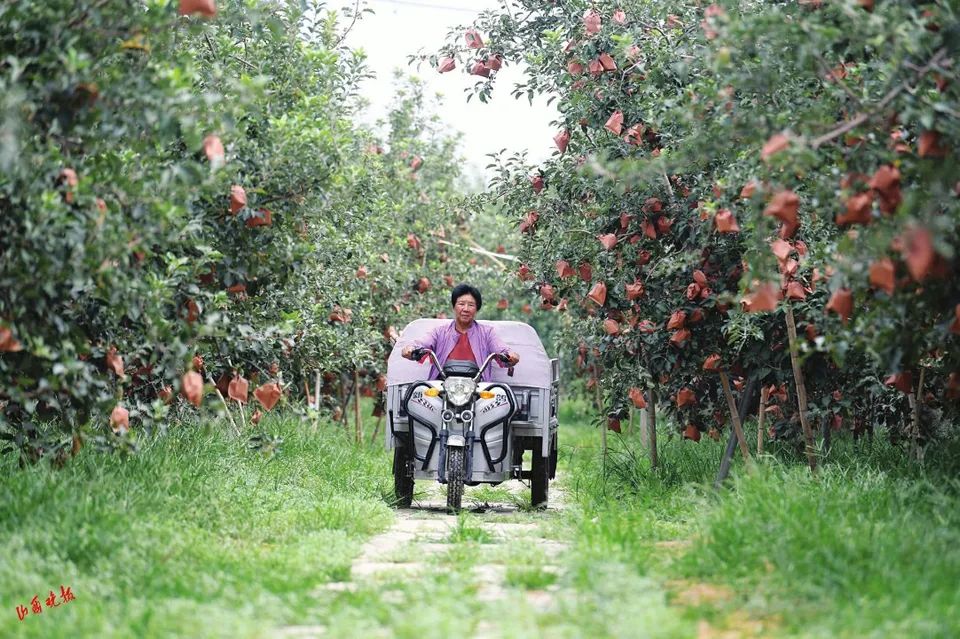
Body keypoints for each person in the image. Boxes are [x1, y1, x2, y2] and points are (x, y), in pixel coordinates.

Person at [401, 284, 520, 381]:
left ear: (477, 309)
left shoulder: (487, 333)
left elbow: (500, 348)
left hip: (477, 386)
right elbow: (423, 343)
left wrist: (511, 355)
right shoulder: (439, 332)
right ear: (454, 306)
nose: (466, 309)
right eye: (461, 304)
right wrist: (411, 348)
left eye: (471, 305)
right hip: (442, 385)